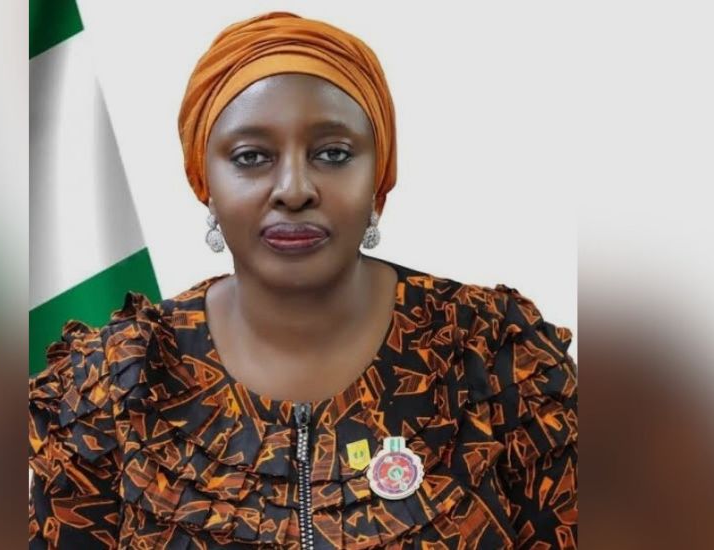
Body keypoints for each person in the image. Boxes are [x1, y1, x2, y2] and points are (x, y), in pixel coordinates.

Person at [29, 11, 577, 549]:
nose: (294, 189)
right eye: (251, 157)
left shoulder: (494, 356)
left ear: (378, 175)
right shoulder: (117, 383)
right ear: (205, 180)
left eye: (333, 154)